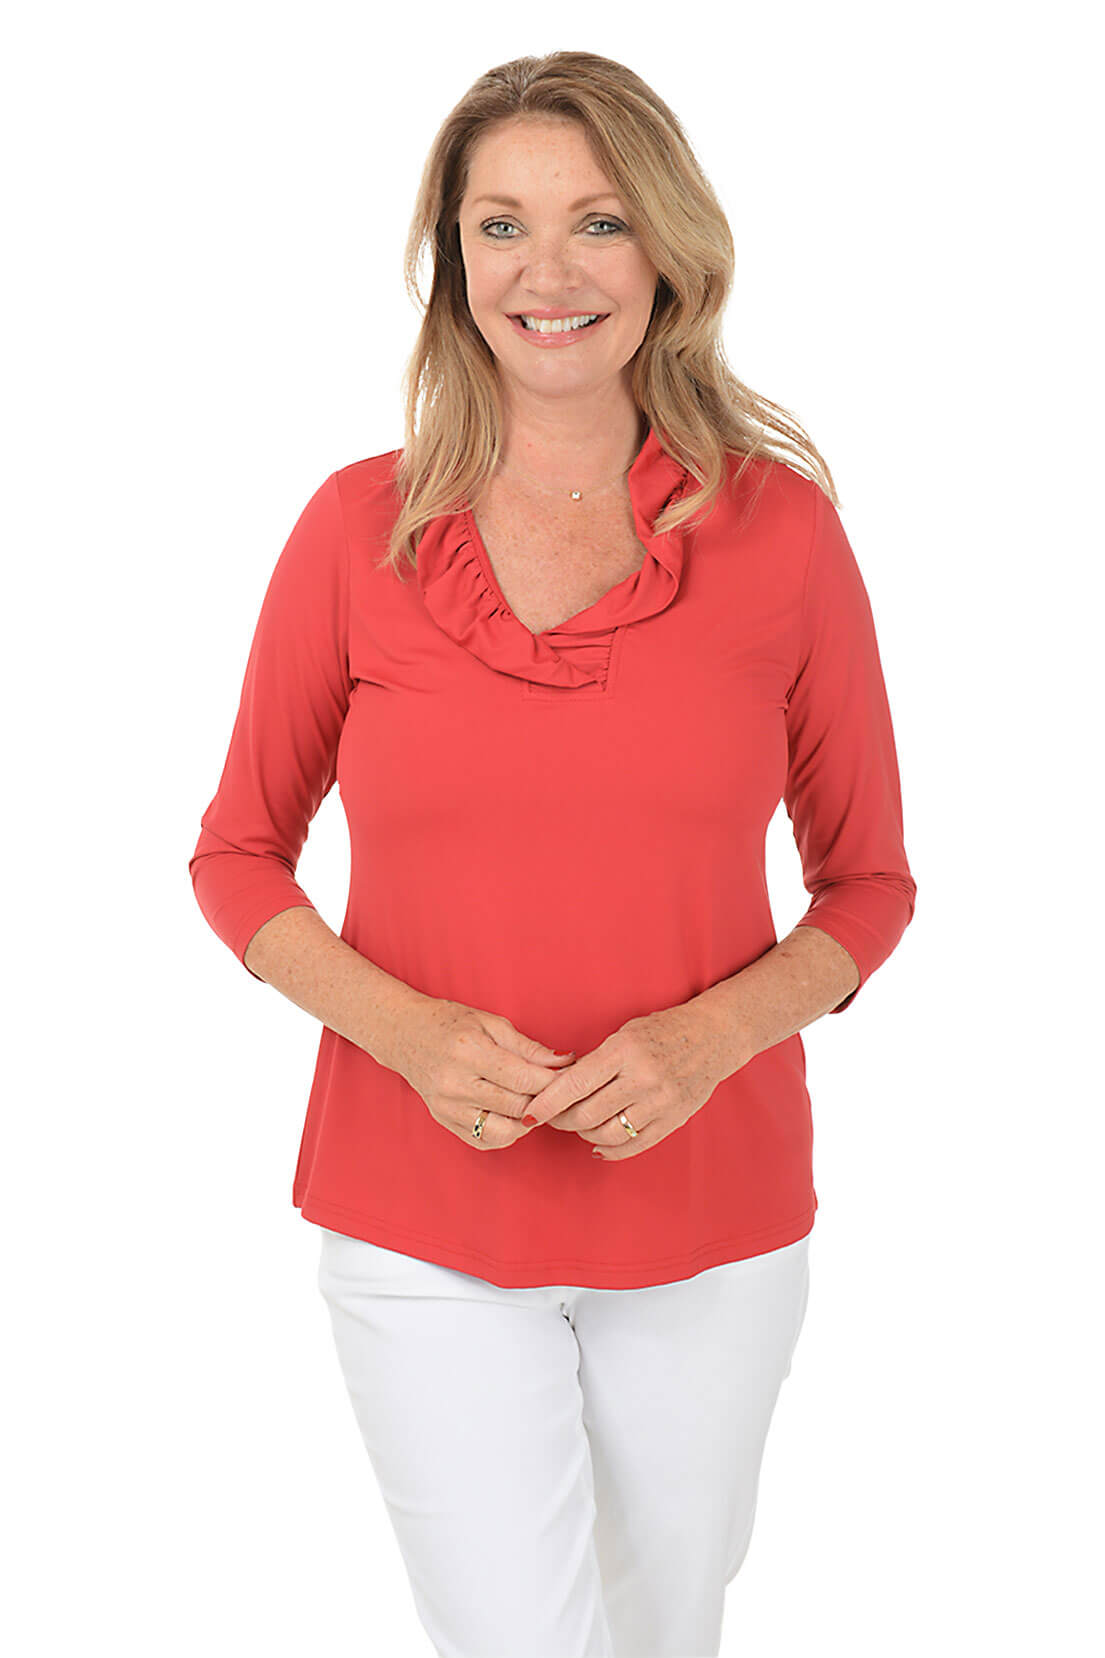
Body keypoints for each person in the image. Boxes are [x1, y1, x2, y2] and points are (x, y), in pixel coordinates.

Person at [188, 49, 917, 1658]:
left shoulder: (782, 534)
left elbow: (868, 883)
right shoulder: (351, 531)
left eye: (595, 223)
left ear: (666, 254)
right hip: (417, 1214)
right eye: (499, 225)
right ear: (452, 264)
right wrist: (409, 1031)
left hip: (712, 1226)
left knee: (660, 1631)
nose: (548, 271)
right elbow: (238, 852)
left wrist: (707, 1034)